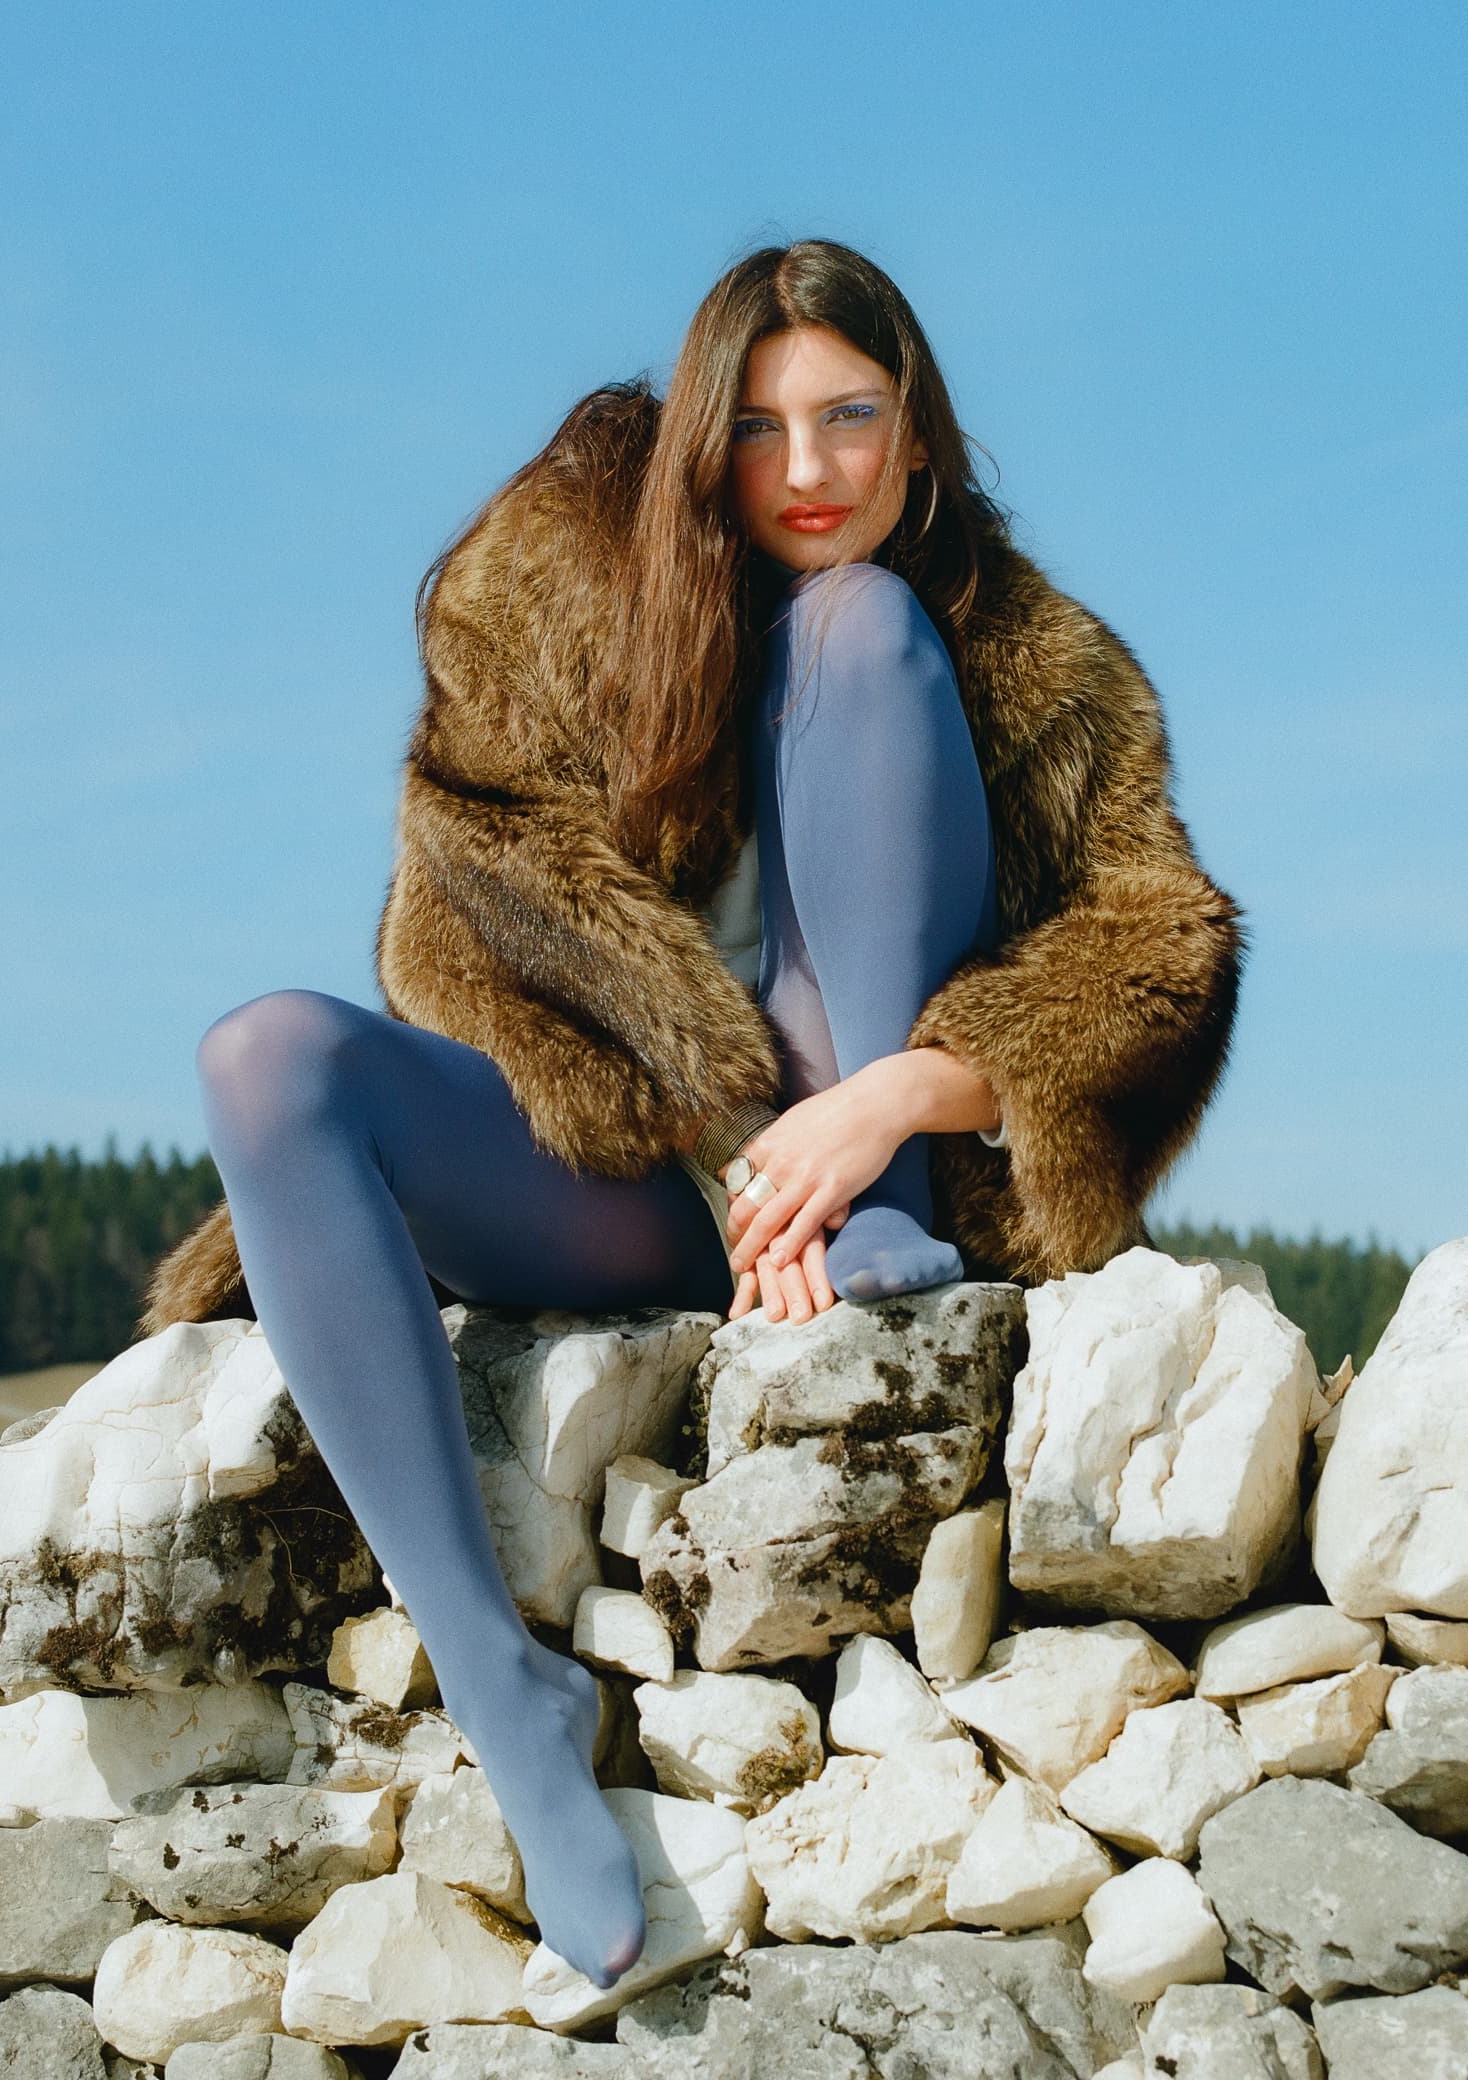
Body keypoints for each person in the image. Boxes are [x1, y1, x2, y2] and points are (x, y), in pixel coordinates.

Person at [145, 239, 1244, 1989]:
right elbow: (461, 942)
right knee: (263, 1058)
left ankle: (870, 1221)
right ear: (697, 446)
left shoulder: (1029, 660)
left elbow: (1157, 952)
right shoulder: (554, 594)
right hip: (639, 1178)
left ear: (918, 438)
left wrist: (882, 1106)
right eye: (756, 427)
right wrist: (729, 1145)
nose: (805, 472)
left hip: (890, 1177)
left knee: (858, 620)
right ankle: (504, 1689)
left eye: (848, 417)